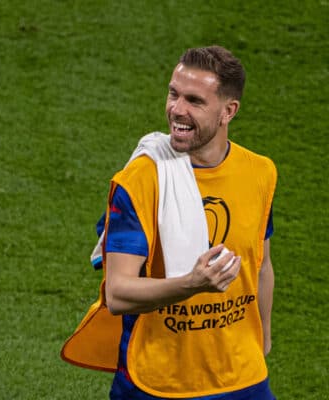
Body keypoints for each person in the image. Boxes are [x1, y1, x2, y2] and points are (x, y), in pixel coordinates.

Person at [61, 46, 276, 399]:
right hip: (158, 382)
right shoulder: (141, 181)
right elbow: (118, 292)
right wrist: (191, 283)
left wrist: (262, 339)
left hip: (243, 378)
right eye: (173, 94)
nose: (177, 109)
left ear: (228, 111)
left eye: (194, 100)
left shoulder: (260, 173)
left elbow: (261, 264)